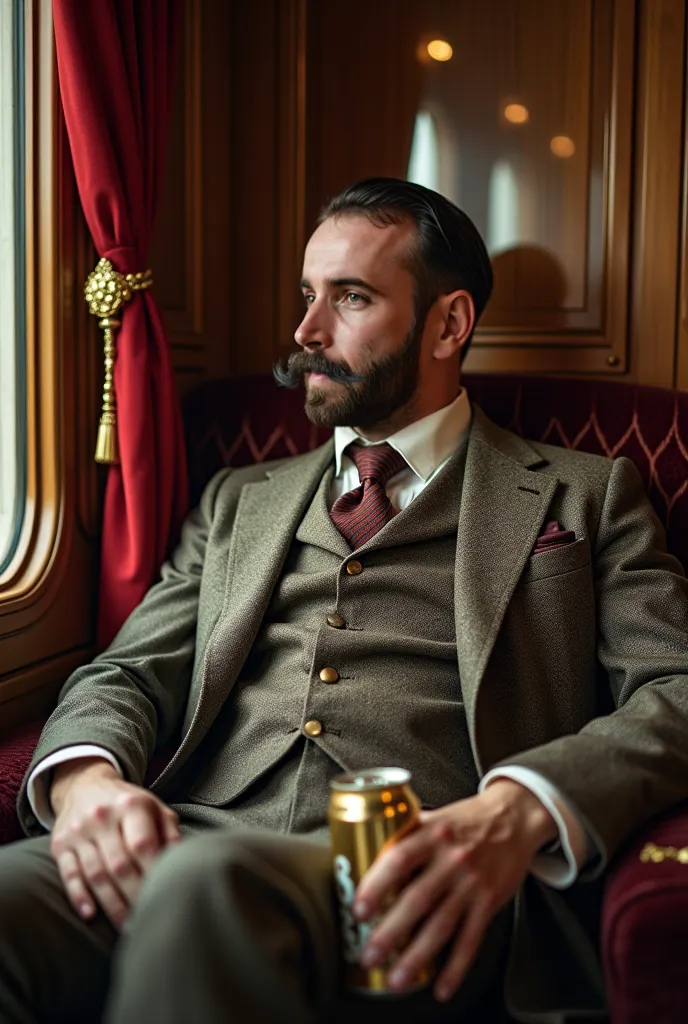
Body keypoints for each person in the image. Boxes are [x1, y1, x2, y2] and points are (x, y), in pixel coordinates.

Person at [1, 178, 688, 1024]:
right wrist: (85, 783)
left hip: (415, 878)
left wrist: (515, 812)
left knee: (205, 891)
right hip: (185, 833)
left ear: (449, 323)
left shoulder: (589, 494)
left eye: (350, 298)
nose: (305, 333)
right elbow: (133, 670)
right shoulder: (236, 499)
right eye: (307, 295)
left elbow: (677, 688)